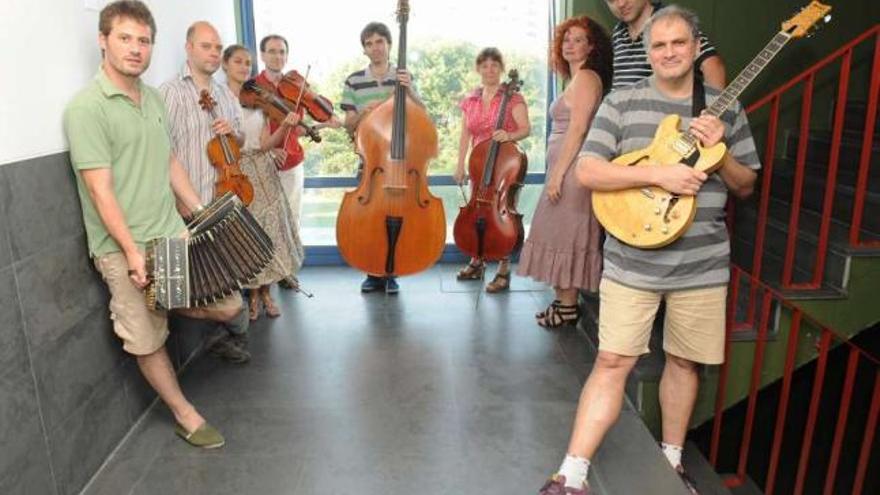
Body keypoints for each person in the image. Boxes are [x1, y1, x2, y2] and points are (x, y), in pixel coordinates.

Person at [538, 6, 759, 494]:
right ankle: (571, 475)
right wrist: (656, 174)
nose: (668, 53)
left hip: (702, 261)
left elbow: (746, 187)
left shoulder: (725, 107)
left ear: (696, 47)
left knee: (683, 361)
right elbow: (588, 170)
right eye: (658, 45)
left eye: (678, 43)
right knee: (613, 361)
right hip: (631, 260)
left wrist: (721, 155)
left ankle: (672, 460)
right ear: (647, 51)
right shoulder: (622, 101)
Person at [64, 0, 246, 448]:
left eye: (143, 40)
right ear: (103, 41)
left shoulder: (152, 98)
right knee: (147, 340)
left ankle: (159, 302)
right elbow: (99, 191)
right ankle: (186, 415)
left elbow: (168, 161)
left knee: (228, 306)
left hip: (170, 233)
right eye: (124, 38)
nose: (135, 48)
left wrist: (200, 212)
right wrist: (129, 252)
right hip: (124, 245)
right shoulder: (87, 108)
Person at [158, 21, 251, 363]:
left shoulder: (225, 93)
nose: (213, 53)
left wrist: (233, 134)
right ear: (188, 48)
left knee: (221, 279)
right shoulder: (167, 93)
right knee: (172, 290)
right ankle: (227, 326)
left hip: (220, 203)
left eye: (217, 47)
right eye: (206, 46)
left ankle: (226, 333)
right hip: (180, 208)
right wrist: (180, 201)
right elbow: (160, 152)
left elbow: (241, 140)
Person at [517, 16, 612, 325]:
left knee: (566, 234)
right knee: (559, 233)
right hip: (564, 166)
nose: (570, 44)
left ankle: (569, 307)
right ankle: (563, 302)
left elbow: (579, 128)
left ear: (592, 46)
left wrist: (558, 174)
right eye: (566, 39)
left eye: (579, 39)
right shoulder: (576, 78)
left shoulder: (586, 78)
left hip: (572, 169)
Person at [222, 44, 305, 320]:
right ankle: (253, 294)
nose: (244, 67)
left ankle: (266, 292)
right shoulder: (218, 98)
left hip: (263, 169)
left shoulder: (257, 97)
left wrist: (286, 126)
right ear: (225, 65)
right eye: (238, 61)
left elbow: (267, 143)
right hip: (236, 173)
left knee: (269, 233)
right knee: (248, 236)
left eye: (247, 62)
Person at [339, 21, 417, 295]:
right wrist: (364, 113)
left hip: (400, 160)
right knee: (369, 218)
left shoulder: (403, 76)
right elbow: (348, 123)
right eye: (369, 43)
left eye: (379, 42)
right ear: (364, 49)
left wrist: (410, 92)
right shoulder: (354, 80)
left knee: (398, 213)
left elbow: (420, 115)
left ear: (389, 44)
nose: (375, 47)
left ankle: (392, 270)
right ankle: (373, 272)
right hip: (370, 160)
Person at [453, 47, 530, 292]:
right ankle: (477, 261)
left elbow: (525, 128)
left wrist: (508, 134)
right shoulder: (471, 100)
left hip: (504, 165)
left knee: (502, 214)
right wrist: (459, 164)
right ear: (478, 69)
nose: (489, 70)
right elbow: (465, 134)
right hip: (478, 163)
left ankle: (504, 269)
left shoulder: (513, 97)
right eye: (484, 66)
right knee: (477, 213)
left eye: (494, 65)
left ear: (501, 69)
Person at [606, 0, 726, 90]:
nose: (621, 3)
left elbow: (712, 64)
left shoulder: (671, 20)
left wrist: (712, 112)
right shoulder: (618, 32)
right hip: (623, 117)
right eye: (611, 0)